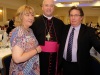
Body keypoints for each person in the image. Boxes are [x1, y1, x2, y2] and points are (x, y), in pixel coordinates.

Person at [58, 6, 100, 75]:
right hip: (65, 65)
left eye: (76, 15)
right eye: (71, 15)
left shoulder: (88, 31)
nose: (73, 18)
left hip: (80, 66)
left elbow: (98, 45)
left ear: (81, 17)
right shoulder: (64, 29)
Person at [30, 0, 65, 75]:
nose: (49, 8)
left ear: (54, 8)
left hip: (56, 58)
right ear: (42, 7)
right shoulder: (34, 22)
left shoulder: (60, 23)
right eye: (46, 5)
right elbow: (25, 31)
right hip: (39, 58)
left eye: (51, 6)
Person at [9, 5, 41, 75]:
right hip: (22, 71)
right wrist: (36, 50)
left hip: (32, 69)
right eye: (27, 15)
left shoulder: (29, 30)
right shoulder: (19, 31)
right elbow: (17, 59)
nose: (31, 17)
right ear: (20, 17)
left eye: (32, 15)